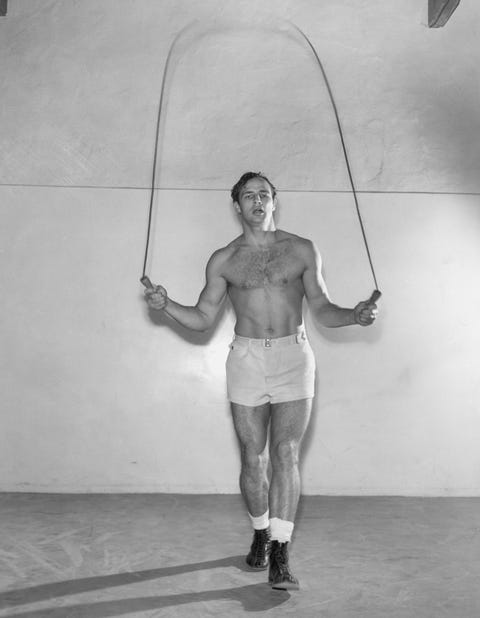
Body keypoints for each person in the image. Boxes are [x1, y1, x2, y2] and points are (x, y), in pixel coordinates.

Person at [144, 171, 378, 591]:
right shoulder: (224, 260)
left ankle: (281, 552)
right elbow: (201, 318)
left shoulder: (302, 250)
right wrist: (166, 306)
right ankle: (260, 531)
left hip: (294, 356)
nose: (257, 201)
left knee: (286, 452)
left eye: (264, 194)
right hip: (247, 358)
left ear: (275, 201)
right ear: (237, 206)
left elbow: (322, 307)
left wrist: (353, 315)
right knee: (254, 457)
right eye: (249, 196)